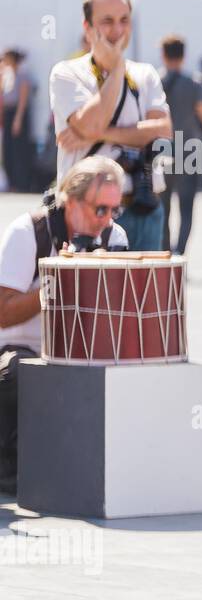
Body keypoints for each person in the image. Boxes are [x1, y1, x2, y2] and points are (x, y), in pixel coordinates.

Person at [0, 156, 130, 496]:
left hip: (86, 349)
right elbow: (2, 314)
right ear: (70, 200)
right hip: (19, 347)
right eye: (99, 209)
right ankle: (10, 466)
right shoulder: (28, 232)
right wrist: (57, 282)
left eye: (115, 210)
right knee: (16, 373)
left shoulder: (114, 237)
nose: (107, 220)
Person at [49, 0, 172, 251]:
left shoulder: (145, 73)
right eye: (107, 21)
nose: (117, 29)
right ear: (88, 27)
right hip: (87, 210)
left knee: (147, 292)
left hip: (144, 204)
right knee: (90, 292)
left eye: (124, 20)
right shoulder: (67, 73)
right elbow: (92, 122)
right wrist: (116, 68)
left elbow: (162, 131)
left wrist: (96, 133)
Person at [157, 35, 202, 254]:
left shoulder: (154, 81)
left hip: (160, 152)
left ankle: (165, 252)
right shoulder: (193, 84)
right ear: (184, 55)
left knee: (163, 208)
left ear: (163, 54)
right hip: (188, 152)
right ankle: (180, 252)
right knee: (186, 208)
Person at [2, 50, 37, 192]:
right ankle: (12, 182)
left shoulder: (23, 75)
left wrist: (18, 119)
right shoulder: (8, 75)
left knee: (19, 150)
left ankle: (21, 182)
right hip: (8, 113)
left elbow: (22, 99)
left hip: (18, 113)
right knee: (8, 149)